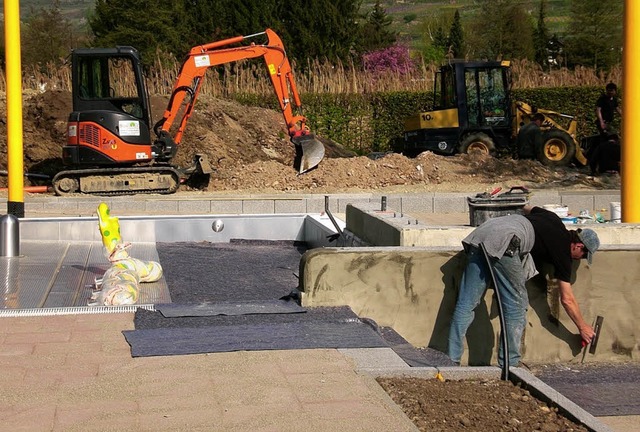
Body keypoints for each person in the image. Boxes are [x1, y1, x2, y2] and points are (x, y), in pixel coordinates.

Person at [448, 205, 600, 367]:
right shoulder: (563, 252)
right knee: (516, 306)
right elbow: (567, 299)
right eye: (583, 256)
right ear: (579, 246)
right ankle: (510, 364)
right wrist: (583, 327)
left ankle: (451, 361)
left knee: (466, 303)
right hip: (506, 241)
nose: (579, 260)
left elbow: (527, 207)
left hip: (482, 234)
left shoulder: (552, 219)